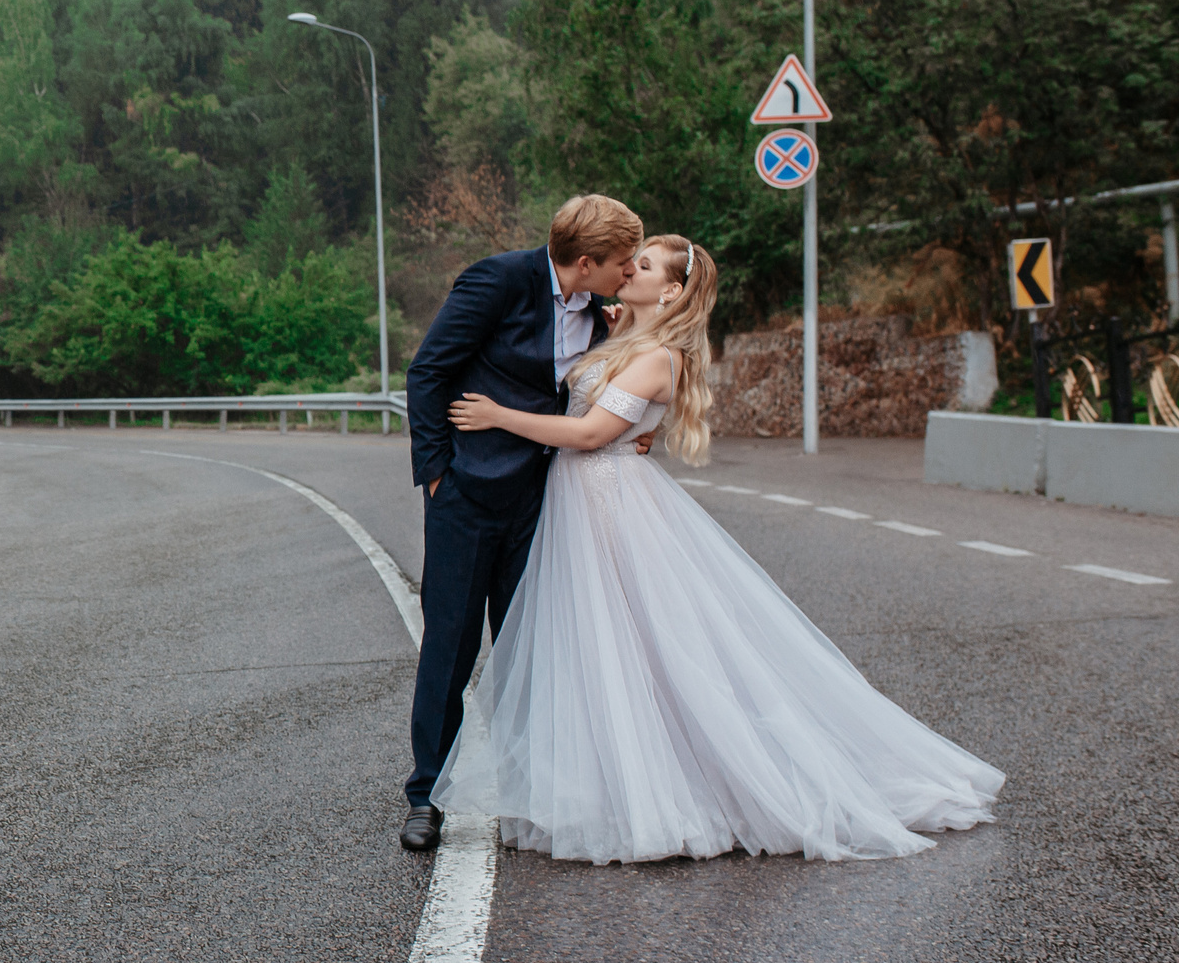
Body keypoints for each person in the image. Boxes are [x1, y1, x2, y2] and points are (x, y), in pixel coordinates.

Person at [432, 234, 1003, 863]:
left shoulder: (658, 357)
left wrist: (499, 417)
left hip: (609, 501)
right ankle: (601, 783)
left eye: (643, 265)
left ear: (671, 291)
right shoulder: (618, 333)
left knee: (638, 645)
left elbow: (592, 433)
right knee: (601, 646)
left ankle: (669, 788)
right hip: (580, 499)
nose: (629, 270)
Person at [399, 194, 645, 853]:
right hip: (466, 494)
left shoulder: (601, 314)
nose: (629, 271)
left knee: (530, 646)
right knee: (451, 646)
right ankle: (426, 796)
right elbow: (428, 371)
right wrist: (437, 473)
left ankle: (525, 791)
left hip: (542, 499)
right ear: (586, 262)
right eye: (622, 262)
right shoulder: (499, 280)